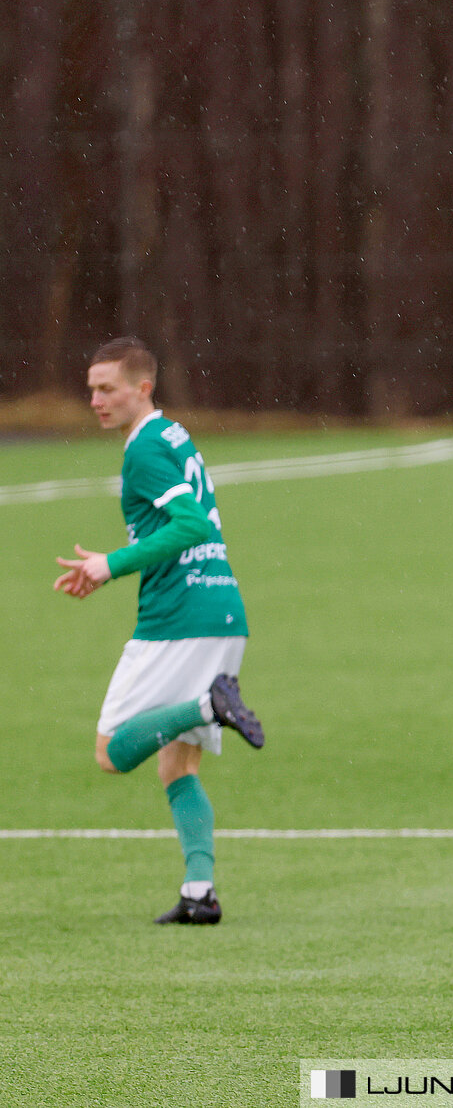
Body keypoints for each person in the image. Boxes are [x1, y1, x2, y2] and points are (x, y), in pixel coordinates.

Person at [52, 337, 265, 925]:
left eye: (107, 388)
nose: (95, 399)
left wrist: (109, 565)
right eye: (91, 387)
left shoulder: (144, 448)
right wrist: (117, 560)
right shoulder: (174, 435)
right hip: (223, 609)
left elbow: (191, 524)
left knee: (112, 752)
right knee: (178, 765)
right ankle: (200, 895)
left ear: (142, 388)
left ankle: (206, 703)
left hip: (178, 619)